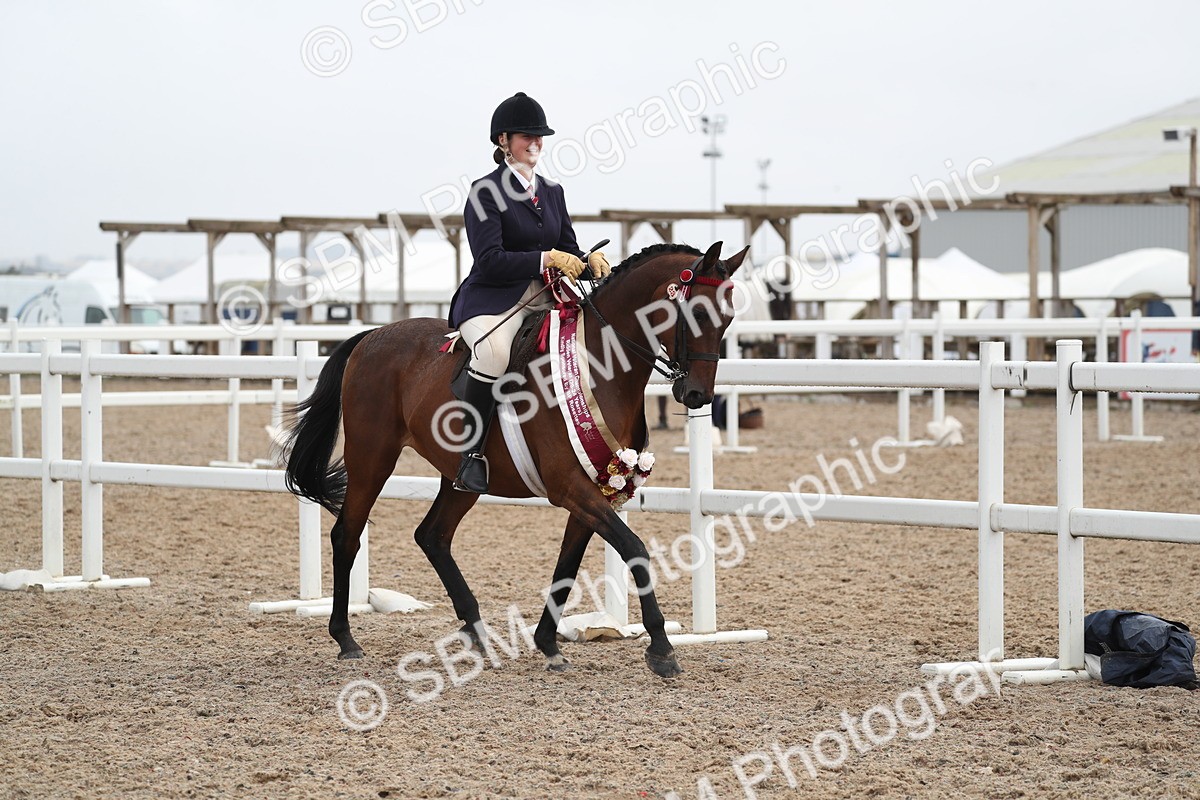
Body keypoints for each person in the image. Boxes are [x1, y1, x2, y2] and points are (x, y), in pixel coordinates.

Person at [446, 92, 611, 493]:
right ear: (503, 141)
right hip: (493, 299)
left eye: (540, 136)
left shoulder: (552, 191)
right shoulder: (484, 192)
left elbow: (566, 249)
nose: (535, 143)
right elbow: (490, 259)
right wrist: (545, 258)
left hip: (545, 297)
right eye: (527, 136)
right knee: (495, 353)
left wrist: (589, 262)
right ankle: (472, 455)